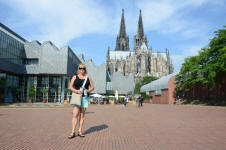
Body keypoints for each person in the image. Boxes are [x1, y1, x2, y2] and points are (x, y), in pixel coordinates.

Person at [68, 64, 94, 139]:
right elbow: (70, 87)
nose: (82, 69)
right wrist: (76, 90)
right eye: (80, 68)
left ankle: (80, 131)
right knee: (75, 114)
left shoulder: (88, 78)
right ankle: (73, 132)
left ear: (85, 70)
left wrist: (88, 90)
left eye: (83, 68)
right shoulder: (74, 77)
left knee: (82, 115)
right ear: (78, 69)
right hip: (77, 97)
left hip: (84, 98)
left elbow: (92, 87)